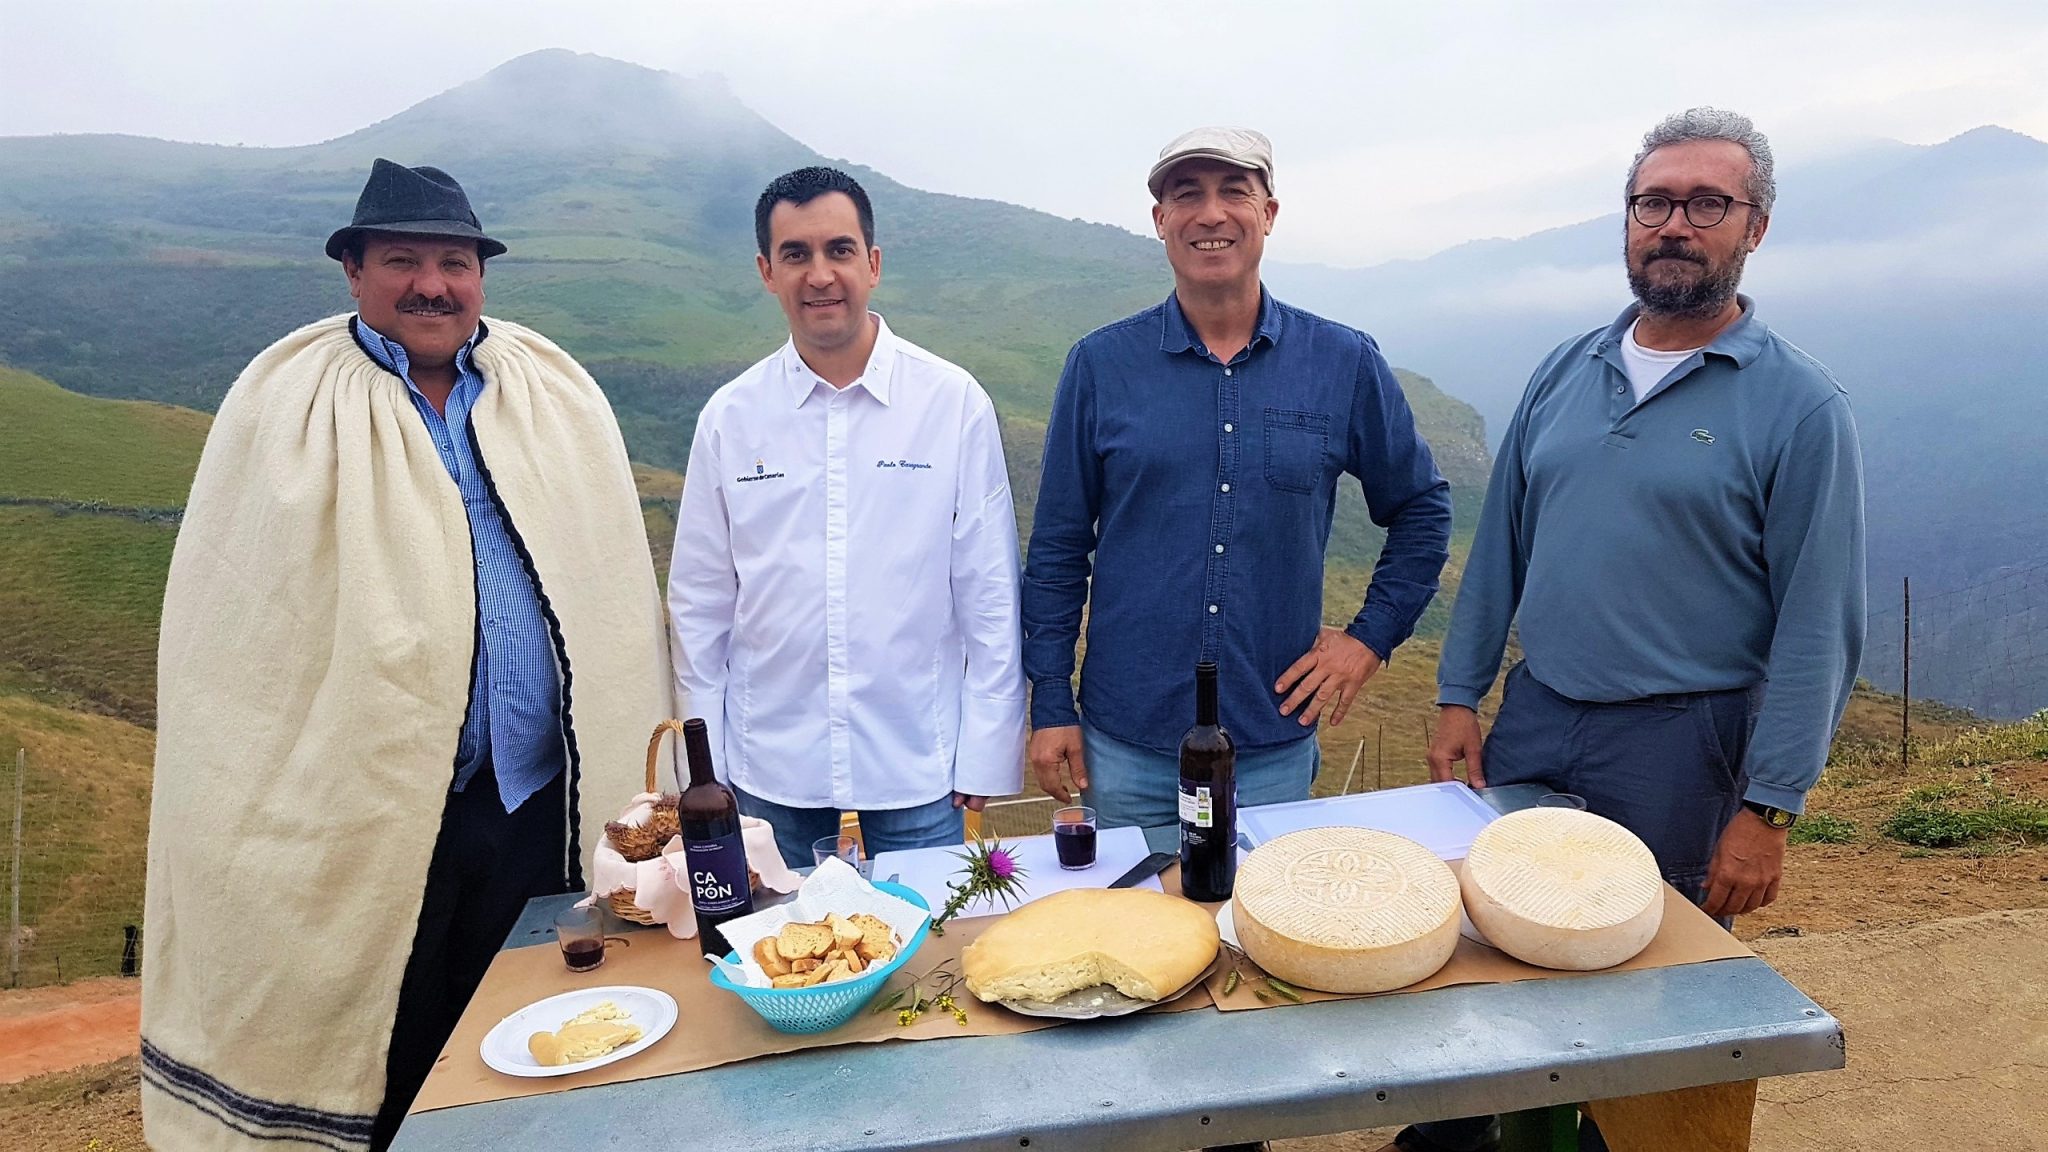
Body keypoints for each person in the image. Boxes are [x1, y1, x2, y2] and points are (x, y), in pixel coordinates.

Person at [142, 159, 673, 1152]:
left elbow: (607, 586)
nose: (432, 284)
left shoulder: (549, 394)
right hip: (374, 823)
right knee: (394, 1054)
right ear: (353, 270)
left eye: (454, 262)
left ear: (481, 275)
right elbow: (241, 639)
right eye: (402, 260)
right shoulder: (285, 408)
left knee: (540, 1033)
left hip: (537, 807)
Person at [1407, 108, 1866, 1152]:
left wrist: (1769, 808)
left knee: (1652, 996)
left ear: (1752, 228)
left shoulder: (1796, 405)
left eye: (1707, 204)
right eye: (1652, 202)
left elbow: (1817, 625)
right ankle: (1492, 1131)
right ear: (1625, 221)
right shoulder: (1565, 369)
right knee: (1504, 943)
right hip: (1535, 719)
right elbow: (1501, 545)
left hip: (1682, 746)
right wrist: (1455, 693)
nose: (1673, 224)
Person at [1023, 127, 1453, 831]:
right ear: (1161, 220)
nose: (1211, 214)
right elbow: (1058, 550)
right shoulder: (1101, 366)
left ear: (1269, 214)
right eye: (1186, 195)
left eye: (1235, 192)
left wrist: (1368, 639)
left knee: (1261, 934)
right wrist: (1049, 702)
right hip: (1125, 742)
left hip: (1271, 744)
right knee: (1134, 933)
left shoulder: (1343, 362)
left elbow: (1423, 509)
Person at [667, 166, 1026, 870]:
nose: (820, 274)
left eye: (839, 250)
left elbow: (986, 588)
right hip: (768, 765)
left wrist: (983, 752)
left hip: (919, 759)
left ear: (874, 263)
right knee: (775, 960)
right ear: (768, 272)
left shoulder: (950, 403)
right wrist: (703, 770)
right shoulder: (731, 418)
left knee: (931, 958)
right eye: (796, 255)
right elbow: (701, 600)